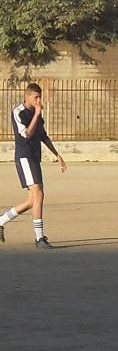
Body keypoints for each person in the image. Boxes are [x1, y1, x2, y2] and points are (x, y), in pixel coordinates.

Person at [0, 83, 67, 248]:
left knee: (32, 200)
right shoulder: (19, 113)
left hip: (35, 159)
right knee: (39, 194)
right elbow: (27, 134)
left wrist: (57, 155)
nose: (39, 100)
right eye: (36, 97)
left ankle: (1, 220)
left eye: (40, 97)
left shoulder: (37, 114)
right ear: (27, 96)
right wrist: (37, 114)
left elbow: (43, 136)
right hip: (24, 158)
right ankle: (39, 238)